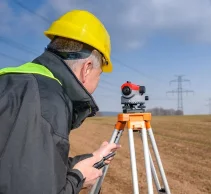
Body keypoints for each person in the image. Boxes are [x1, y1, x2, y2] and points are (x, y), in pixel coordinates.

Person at [0, 10, 121, 194]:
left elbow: (27, 167)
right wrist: (78, 178)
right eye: (100, 75)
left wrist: (92, 158)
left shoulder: (16, 82)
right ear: (87, 69)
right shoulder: (46, 102)